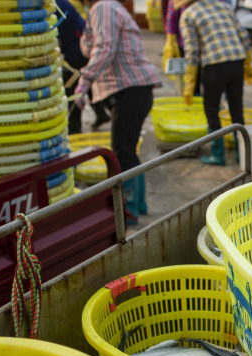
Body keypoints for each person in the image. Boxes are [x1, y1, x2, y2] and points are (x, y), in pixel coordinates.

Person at [76, 0, 163, 222]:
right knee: (128, 150)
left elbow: (104, 46)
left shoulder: (103, 7)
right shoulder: (110, 8)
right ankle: (137, 206)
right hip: (134, 89)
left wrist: (84, 81)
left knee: (122, 152)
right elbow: (91, 46)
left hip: (130, 89)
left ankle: (128, 211)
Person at [178, 0, 252, 165]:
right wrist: (247, 62)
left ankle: (218, 154)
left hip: (214, 66)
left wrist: (190, 82)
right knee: (236, 109)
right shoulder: (222, 6)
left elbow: (191, 51)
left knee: (212, 109)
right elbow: (244, 35)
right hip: (237, 62)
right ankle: (241, 154)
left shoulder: (188, 15)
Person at [55, 0, 110, 133]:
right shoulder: (58, 3)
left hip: (77, 49)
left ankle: (74, 130)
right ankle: (101, 113)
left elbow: (56, 40)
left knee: (72, 90)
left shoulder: (55, 7)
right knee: (86, 83)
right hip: (80, 46)